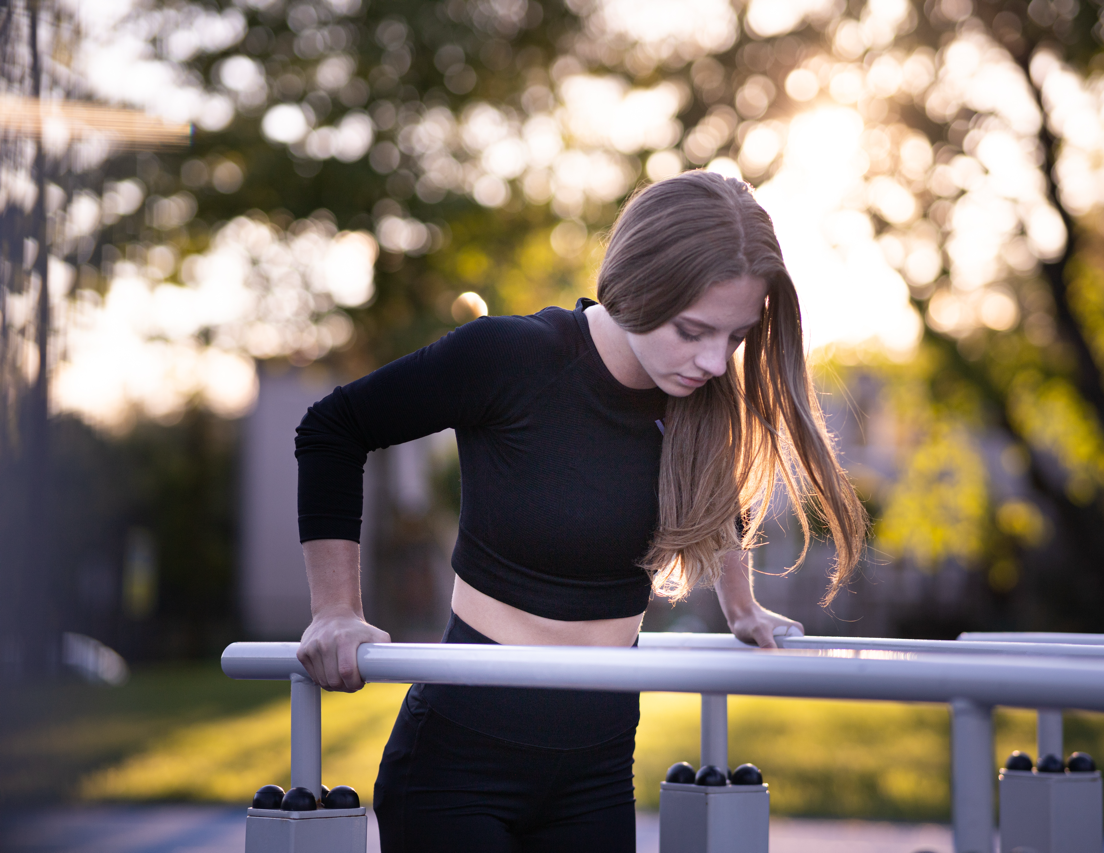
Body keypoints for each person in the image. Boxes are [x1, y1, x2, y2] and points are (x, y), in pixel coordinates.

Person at [293, 170, 867, 852]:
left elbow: (715, 502)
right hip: (456, 773)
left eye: (736, 338)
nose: (715, 360)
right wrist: (335, 610)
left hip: (596, 774)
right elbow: (332, 429)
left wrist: (741, 605)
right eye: (693, 330)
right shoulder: (510, 357)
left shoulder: (699, 399)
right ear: (638, 286)